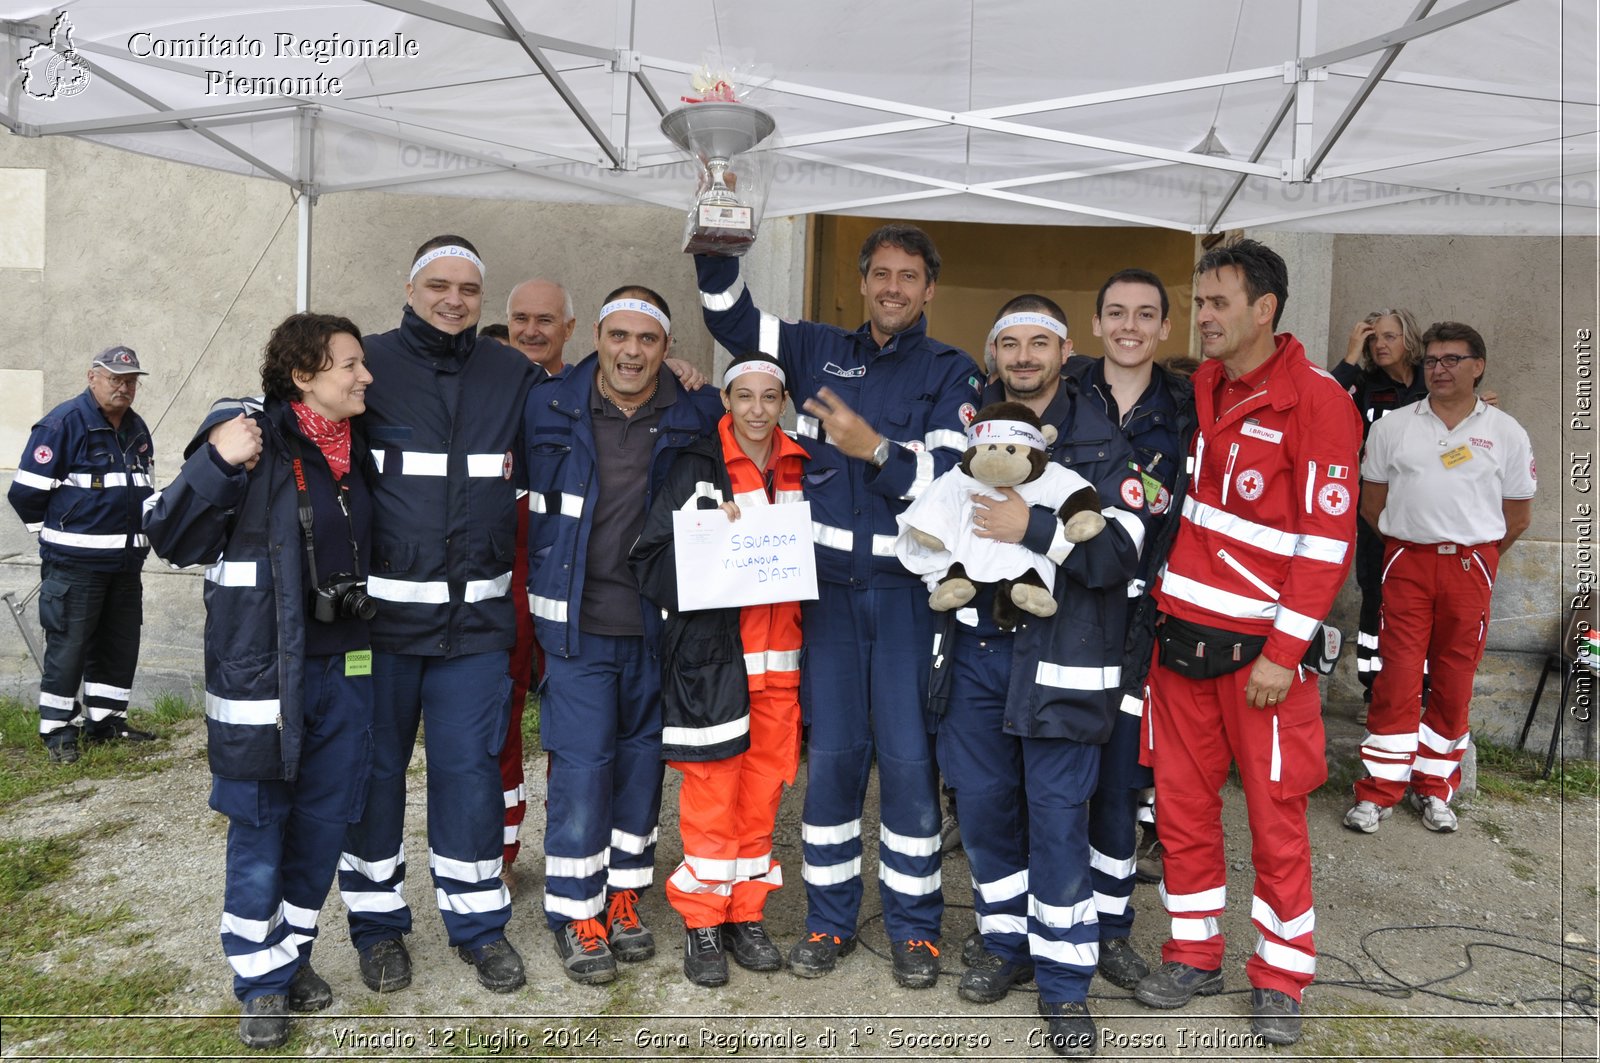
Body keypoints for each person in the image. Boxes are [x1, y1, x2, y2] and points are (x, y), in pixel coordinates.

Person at [694, 224, 982, 987]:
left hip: (906, 604)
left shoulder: (953, 372)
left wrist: (875, 450)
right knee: (832, 769)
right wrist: (717, 239)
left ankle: (916, 931)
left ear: (929, 290)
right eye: (880, 273)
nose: (893, 287)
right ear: (862, 282)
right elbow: (730, 318)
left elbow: (950, 486)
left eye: (908, 276)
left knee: (911, 767)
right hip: (823, 604)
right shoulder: (817, 347)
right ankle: (828, 921)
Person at [1132, 239, 1361, 1047]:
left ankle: (1280, 974)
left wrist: (1283, 653)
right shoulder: (1203, 385)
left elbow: (1327, 544)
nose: (1203, 316)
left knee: (1275, 820)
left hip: (1260, 660)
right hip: (1179, 645)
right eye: (1199, 302)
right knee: (1183, 811)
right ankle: (1193, 953)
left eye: (1217, 302)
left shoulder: (1320, 402)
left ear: (1265, 308)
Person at [143, 313, 377, 1049]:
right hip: (262, 675)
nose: (364, 376)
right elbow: (170, 536)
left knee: (321, 826)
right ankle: (261, 982)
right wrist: (215, 459)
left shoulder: (362, 446)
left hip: (349, 668)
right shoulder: (248, 438)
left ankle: (292, 955)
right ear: (303, 374)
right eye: (349, 365)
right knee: (259, 824)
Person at [927, 296, 1146, 1055]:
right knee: (985, 813)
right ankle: (1004, 942)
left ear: (1065, 348)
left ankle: (1064, 985)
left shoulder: (1104, 439)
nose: (1023, 357)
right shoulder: (973, 434)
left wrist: (1036, 528)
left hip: (1065, 658)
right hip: (978, 655)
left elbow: (1124, 555)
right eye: (1009, 344)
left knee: (1058, 821)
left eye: (1038, 343)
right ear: (993, 355)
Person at [337, 235, 539, 995]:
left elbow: (575, 422)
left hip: (476, 633)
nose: (453, 299)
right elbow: (299, 410)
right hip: (382, 630)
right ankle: (378, 927)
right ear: (410, 285)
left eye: (468, 288)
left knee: (469, 778)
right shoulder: (368, 363)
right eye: (438, 285)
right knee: (375, 776)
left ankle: (479, 925)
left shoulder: (511, 373)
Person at [525, 286, 723, 985]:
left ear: (668, 349)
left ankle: (623, 895)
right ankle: (576, 911)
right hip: (578, 627)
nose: (631, 351)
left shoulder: (699, 409)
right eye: (619, 336)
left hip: (658, 627)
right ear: (597, 338)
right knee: (582, 770)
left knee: (641, 767)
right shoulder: (549, 404)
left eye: (647, 339)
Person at [630, 352, 810, 987]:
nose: (758, 410)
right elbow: (647, 563)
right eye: (745, 397)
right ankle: (703, 920)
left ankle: (746, 913)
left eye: (770, 397)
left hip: (781, 670)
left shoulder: (806, 467)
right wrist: (699, 536)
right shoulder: (696, 468)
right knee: (711, 797)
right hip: (713, 665)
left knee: (762, 799)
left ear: (783, 401)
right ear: (727, 402)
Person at [1344, 322, 1535, 835]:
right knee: (1397, 677)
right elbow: (1371, 503)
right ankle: (1378, 791)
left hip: (1471, 566)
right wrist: (1409, 543)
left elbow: (1517, 515)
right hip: (1407, 561)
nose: (1439, 368)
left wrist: (1478, 554)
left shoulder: (1506, 432)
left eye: (1452, 359)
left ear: (1479, 366)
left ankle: (1434, 789)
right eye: (1431, 360)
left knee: (1453, 681)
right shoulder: (1394, 426)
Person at [1065, 269, 1196, 992]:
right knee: (1052, 785)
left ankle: (1111, 930)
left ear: (1164, 330)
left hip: (1140, 625)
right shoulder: (1062, 389)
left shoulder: (1186, 409)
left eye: (1145, 314)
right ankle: (1043, 925)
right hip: (1061, 617)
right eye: (1116, 312)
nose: (1129, 326)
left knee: (1119, 786)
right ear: (1095, 323)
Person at [8, 345, 157, 763]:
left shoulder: (136, 428)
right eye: (115, 378)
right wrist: (57, 534)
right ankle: (57, 730)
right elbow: (25, 494)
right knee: (69, 648)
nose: (124, 387)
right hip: (75, 566)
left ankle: (106, 722)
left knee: (118, 645)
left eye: (131, 381)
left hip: (125, 565)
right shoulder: (63, 424)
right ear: (92, 377)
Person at [506, 278, 578, 378]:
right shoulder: (483, 386)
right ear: (508, 323)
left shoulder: (584, 391)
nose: (530, 332)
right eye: (521, 319)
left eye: (544, 320)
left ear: (568, 328)